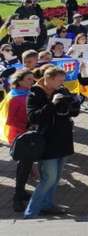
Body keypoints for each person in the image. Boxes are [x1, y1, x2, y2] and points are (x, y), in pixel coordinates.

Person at [24, 67, 81, 218]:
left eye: (63, 80)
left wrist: (75, 103)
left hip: (63, 140)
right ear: (48, 79)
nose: (62, 84)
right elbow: (33, 118)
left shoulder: (61, 90)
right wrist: (52, 104)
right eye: (60, 80)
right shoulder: (34, 94)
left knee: (55, 178)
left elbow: (74, 113)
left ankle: (47, 204)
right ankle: (31, 211)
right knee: (48, 178)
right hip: (46, 141)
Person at [0, 68, 35, 212]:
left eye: (32, 79)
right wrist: (28, 125)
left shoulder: (26, 93)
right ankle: (17, 197)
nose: (32, 81)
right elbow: (11, 120)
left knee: (26, 166)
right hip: (19, 135)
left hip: (26, 133)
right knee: (23, 166)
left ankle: (21, 192)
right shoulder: (15, 96)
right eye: (28, 79)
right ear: (19, 81)